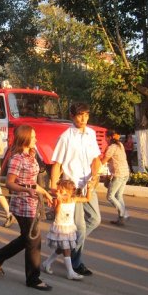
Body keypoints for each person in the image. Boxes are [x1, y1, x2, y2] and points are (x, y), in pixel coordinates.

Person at [0, 125, 53, 291]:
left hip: (32, 203)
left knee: (27, 238)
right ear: (25, 138)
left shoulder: (31, 155)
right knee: (34, 240)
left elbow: (32, 182)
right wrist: (26, 190)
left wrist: (45, 192)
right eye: (33, 137)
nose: (36, 139)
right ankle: (33, 279)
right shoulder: (17, 158)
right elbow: (9, 182)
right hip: (22, 205)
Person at [50, 102, 101, 276]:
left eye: (86, 115)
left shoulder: (91, 134)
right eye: (80, 115)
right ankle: (75, 262)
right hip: (71, 189)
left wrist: (95, 176)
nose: (84, 118)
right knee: (80, 228)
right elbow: (57, 164)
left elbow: (96, 160)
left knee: (95, 219)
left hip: (88, 186)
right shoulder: (66, 137)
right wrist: (53, 188)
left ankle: (66, 244)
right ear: (72, 116)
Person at [42, 179, 91, 280]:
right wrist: (59, 202)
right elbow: (56, 212)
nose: (58, 192)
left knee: (61, 249)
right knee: (67, 250)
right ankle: (70, 272)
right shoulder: (57, 200)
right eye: (58, 190)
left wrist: (89, 189)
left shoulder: (74, 199)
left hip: (69, 228)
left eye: (61, 190)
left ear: (69, 191)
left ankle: (47, 263)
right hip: (60, 228)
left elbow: (87, 199)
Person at [101, 130, 130, 226]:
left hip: (119, 174)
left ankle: (124, 213)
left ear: (109, 137)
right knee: (118, 196)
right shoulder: (120, 145)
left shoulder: (112, 147)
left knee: (110, 196)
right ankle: (121, 219)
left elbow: (104, 161)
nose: (105, 139)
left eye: (106, 137)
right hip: (125, 173)